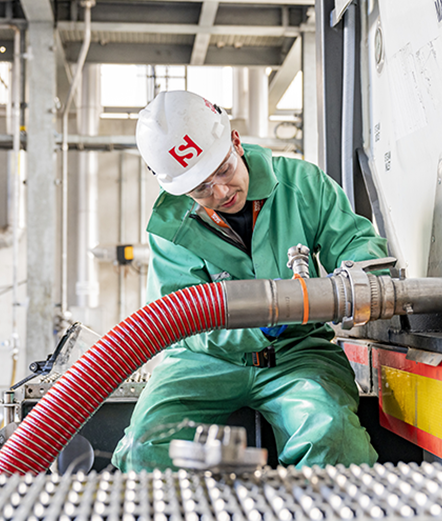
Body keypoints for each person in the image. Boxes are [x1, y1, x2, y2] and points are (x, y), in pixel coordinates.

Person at [111, 90, 388, 471]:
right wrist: (259, 324)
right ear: (177, 190)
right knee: (145, 446)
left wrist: (364, 281)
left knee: (331, 435)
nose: (221, 192)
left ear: (235, 142)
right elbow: (176, 319)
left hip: (298, 356)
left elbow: (357, 244)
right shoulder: (170, 228)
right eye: (201, 188)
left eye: (223, 170)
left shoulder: (301, 185)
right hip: (205, 362)